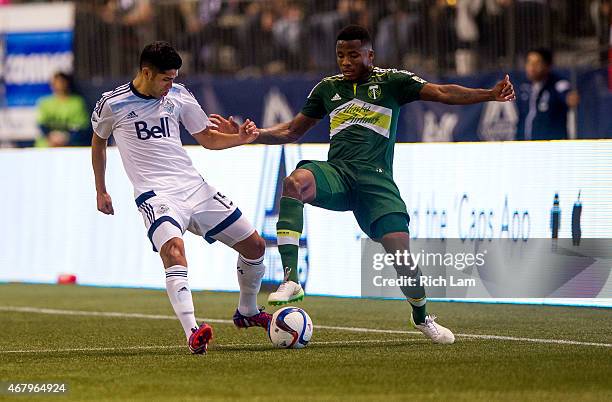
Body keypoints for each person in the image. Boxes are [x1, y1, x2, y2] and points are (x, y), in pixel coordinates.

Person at [215, 25, 516, 344]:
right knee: (295, 182)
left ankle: (421, 316)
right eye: (340, 55)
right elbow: (291, 131)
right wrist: (250, 135)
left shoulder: (392, 82)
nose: (345, 61)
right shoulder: (327, 89)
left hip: (376, 182)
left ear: (370, 55)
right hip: (339, 174)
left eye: (353, 55)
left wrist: (489, 95)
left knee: (403, 259)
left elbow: (442, 92)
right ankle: (291, 279)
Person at [90, 41, 269, 354]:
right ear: (146, 72)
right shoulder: (112, 103)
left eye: (173, 78)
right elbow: (98, 143)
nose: (170, 85)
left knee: (255, 245)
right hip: (154, 193)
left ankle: (248, 311)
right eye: (165, 79)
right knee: (173, 250)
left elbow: (208, 138)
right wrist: (101, 189)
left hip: (194, 188)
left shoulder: (179, 95)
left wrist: (240, 139)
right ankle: (193, 331)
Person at [517, 48, 579, 140]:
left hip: (552, 147)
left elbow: (566, 94)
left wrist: (569, 98)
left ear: (547, 66)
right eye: (529, 62)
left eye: (537, 63)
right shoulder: (523, 87)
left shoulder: (557, 84)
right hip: (526, 146)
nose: (532, 67)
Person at [36, 72, 90, 147]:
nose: (59, 85)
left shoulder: (77, 102)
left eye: (61, 82)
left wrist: (66, 138)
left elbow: (81, 127)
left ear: (67, 83)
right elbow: (41, 124)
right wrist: (51, 137)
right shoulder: (45, 102)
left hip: (70, 144)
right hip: (47, 144)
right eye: (56, 82)